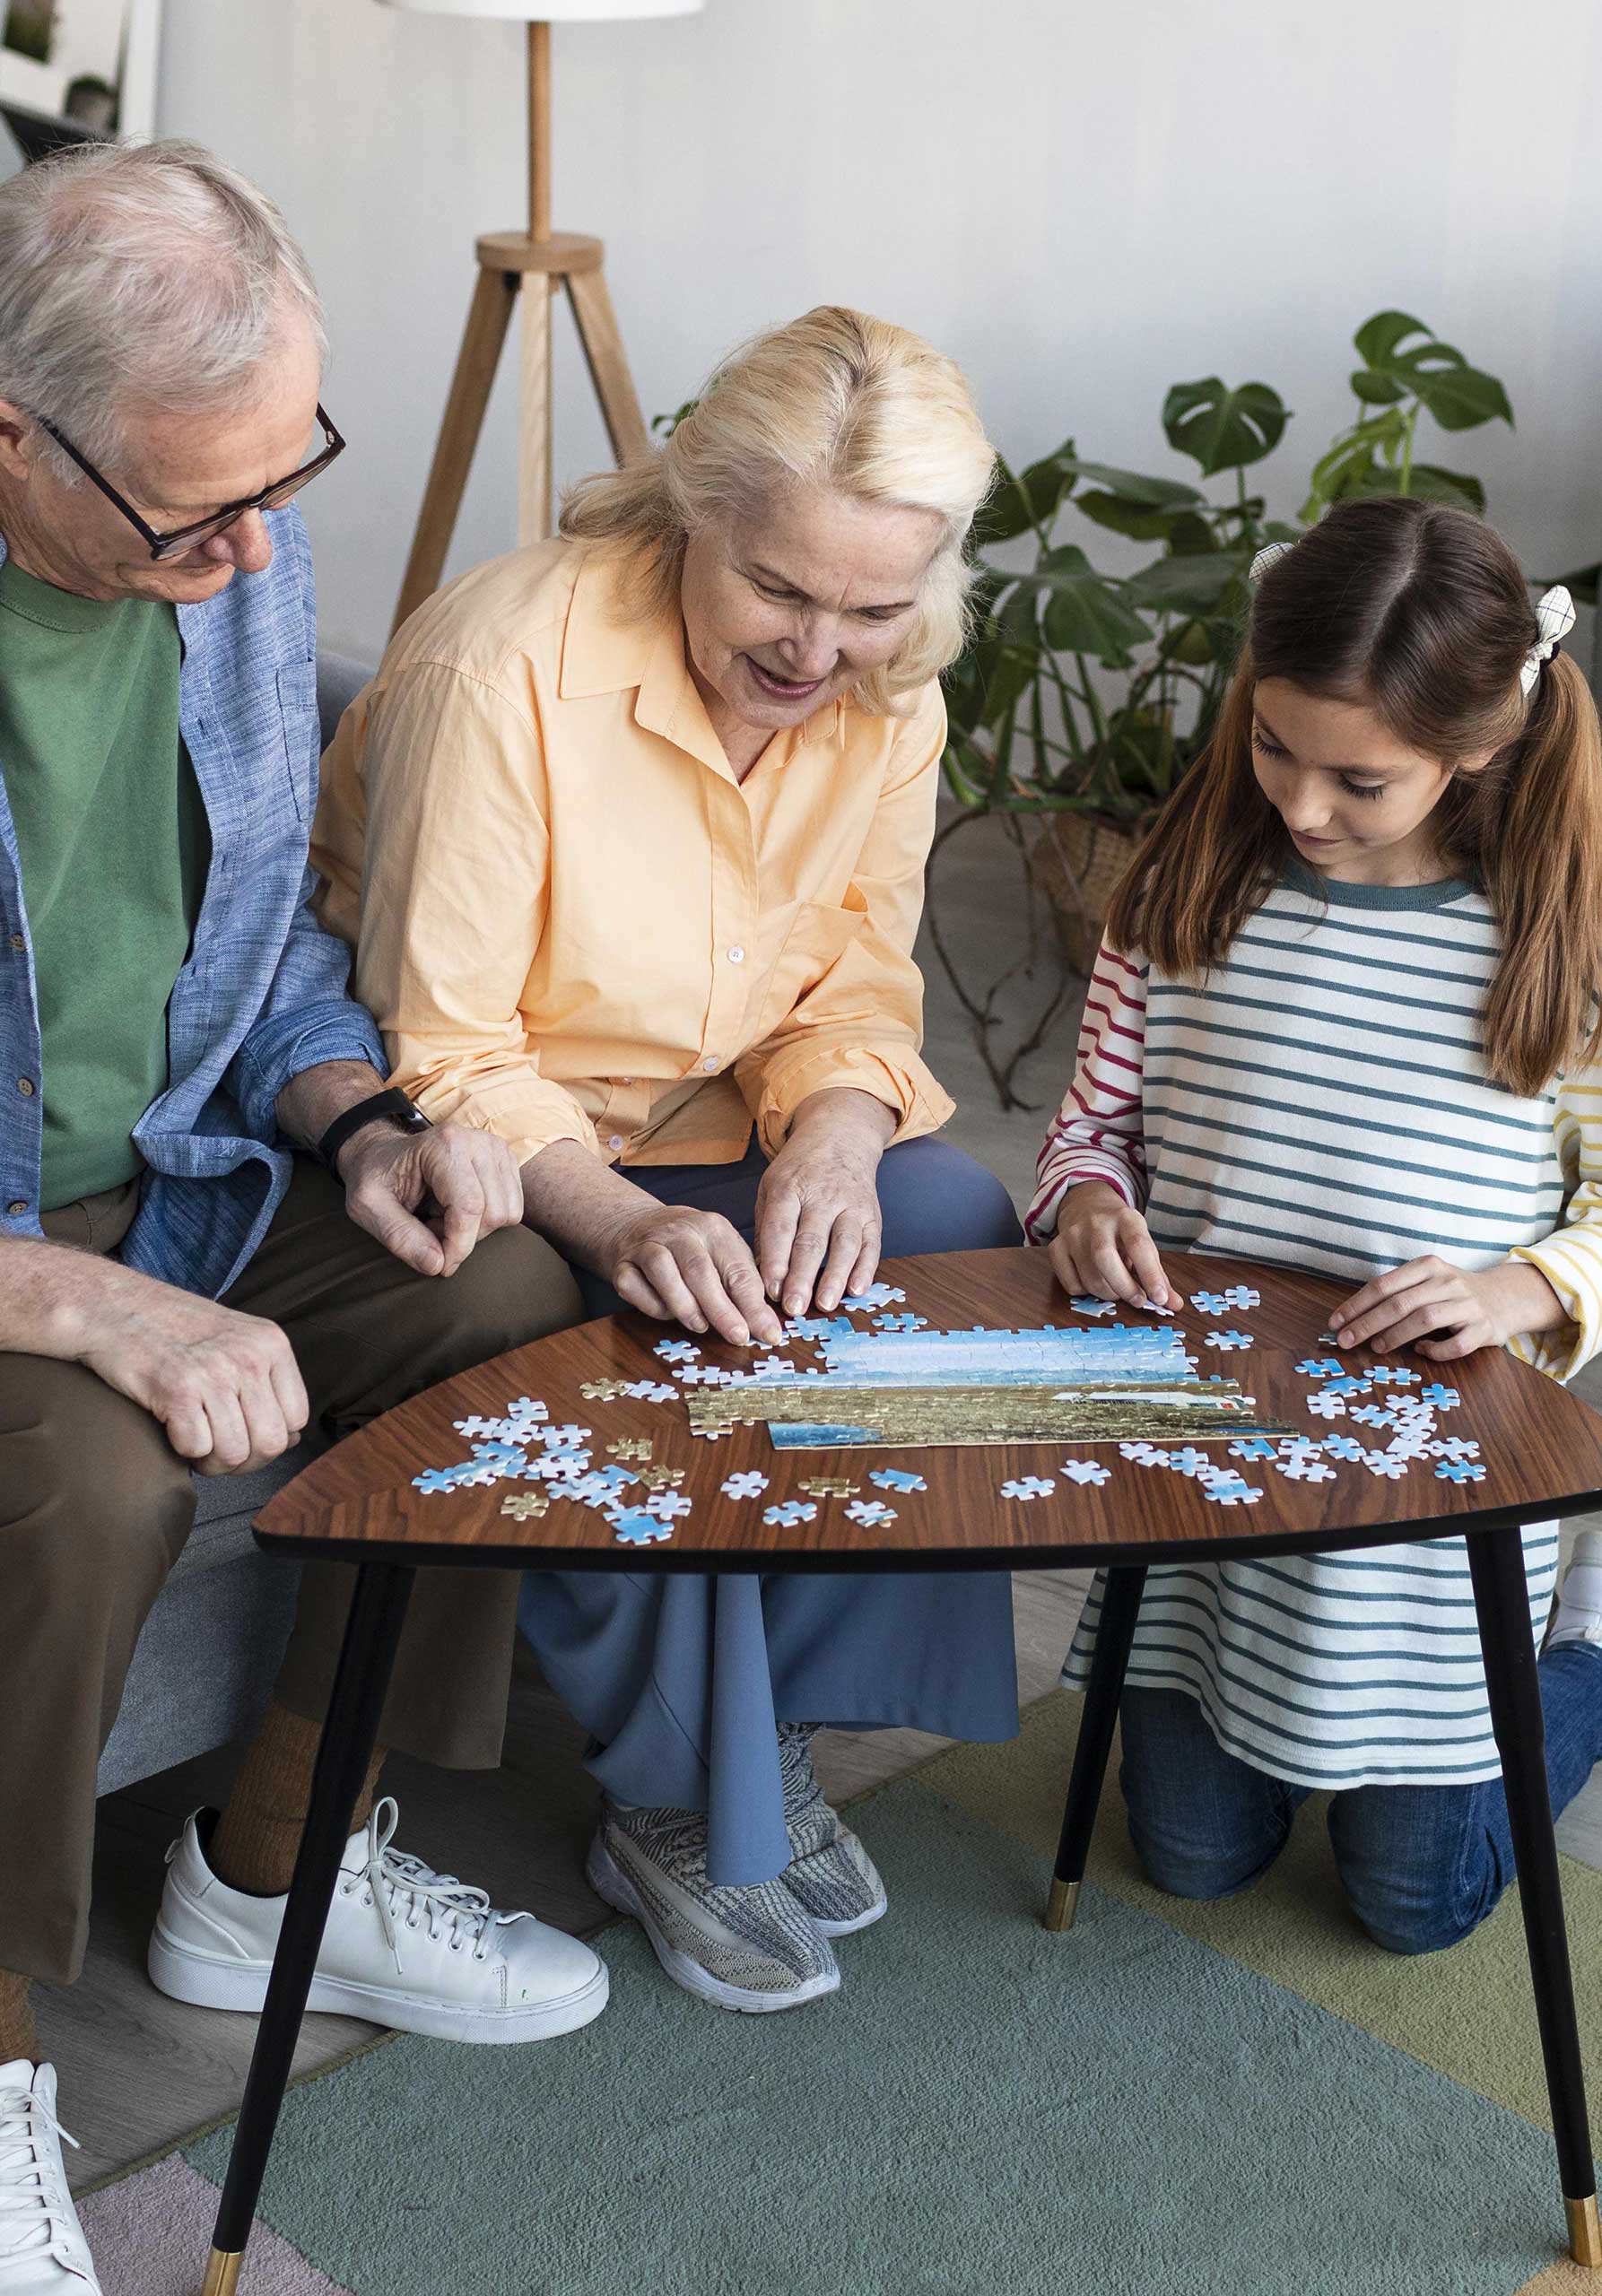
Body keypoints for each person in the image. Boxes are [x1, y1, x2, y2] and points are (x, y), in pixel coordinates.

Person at [0, 142, 605, 2296]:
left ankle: (275, 1866)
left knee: (513, 1282)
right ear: (11, 432)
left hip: (188, 1160)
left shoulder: (231, 550)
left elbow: (265, 956)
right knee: (82, 1477)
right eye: (198, 511)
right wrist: (83, 1301)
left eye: (290, 478)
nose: (262, 547)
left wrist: (361, 1118)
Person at [312, 305, 1024, 2017]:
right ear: (695, 506)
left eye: (873, 605)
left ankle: (763, 1726)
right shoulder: (509, 661)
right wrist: (626, 1226)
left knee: (941, 1217)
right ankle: (671, 1793)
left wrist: (838, 1147)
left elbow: (853, 982)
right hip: (464, 1146)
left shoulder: (888, 677)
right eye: (781, 590)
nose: (820, 648)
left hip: (702, 1120)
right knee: (607, 1314)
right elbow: (448, 1041)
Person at [1028, 496, 1602, 1956]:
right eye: (1271, 744)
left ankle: (1579, 1653)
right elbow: (1089, 1128)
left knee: (1414, 1909)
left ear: (1474, 748)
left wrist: (1524, 1288)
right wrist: (1086, 1200)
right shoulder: (1175, 889)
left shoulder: (1564, 937)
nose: (1297, 804)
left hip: (1421, 1514)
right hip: (1200, 1467)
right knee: (1187, 1862)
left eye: (1359, 779)